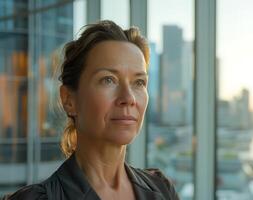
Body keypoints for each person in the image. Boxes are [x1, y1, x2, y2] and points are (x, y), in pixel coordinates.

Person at [3, 20, 179, 200]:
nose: (128, 98)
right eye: (108, 80)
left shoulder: (162, 190)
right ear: (69, 99)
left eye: (139, 82)